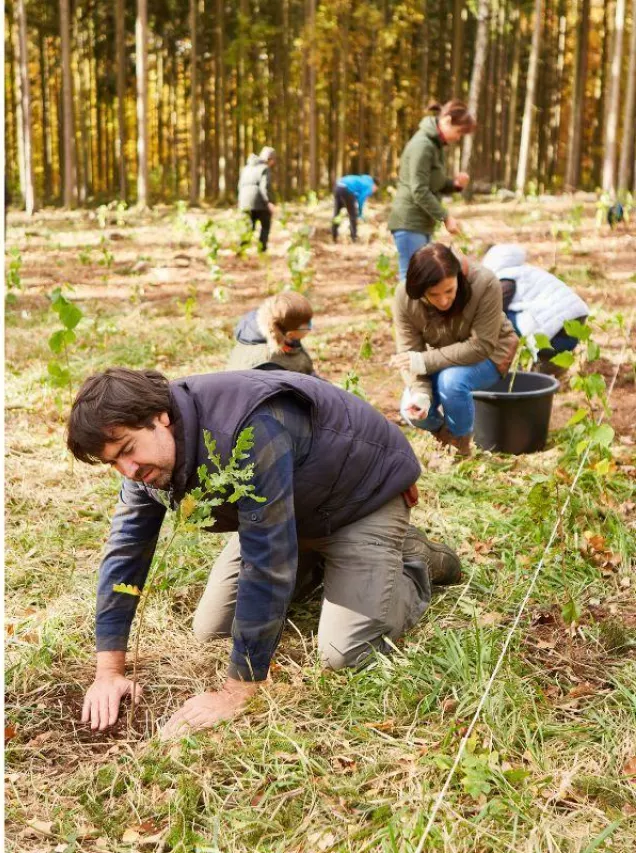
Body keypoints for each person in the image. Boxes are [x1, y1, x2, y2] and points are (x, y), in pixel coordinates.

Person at [66, 368, 462, 736]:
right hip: (286, 514)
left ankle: (410, 557)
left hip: (359, 502)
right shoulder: (145, 463)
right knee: (212, 629)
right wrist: (109, 672)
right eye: (113, 462)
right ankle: (329, 563)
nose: (128, 470)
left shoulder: (246, 427)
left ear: (159, 416)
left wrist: (238, 690)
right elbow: (126, 551)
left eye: (128, 450)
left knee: (345, 652)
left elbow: (267, 560)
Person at [391, 243, 519, 456]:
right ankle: (445, 436)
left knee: (451, 382)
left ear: (458, 277)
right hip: (446, 356)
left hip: (492, 352)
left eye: (449, 291)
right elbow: (410, 353)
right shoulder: (405, 298)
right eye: (433, 295)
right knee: (411, 409)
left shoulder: (484, 283)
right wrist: (421, 393)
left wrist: (425, 361)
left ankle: (461, 445)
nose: (443, 301)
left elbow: (482, 345)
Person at [387, 101, 477, 280]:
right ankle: (404, 309)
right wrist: (445, 216)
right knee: (413, 278)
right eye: (459, 132)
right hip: (409, 221)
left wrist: (456, 185)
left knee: (423, 278)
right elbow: (419, 190)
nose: (458, 138)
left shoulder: (436, 146)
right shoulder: (423, 145)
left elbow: (435, 183)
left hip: (422, 222)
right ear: (447, 120)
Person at [481, 243, 589, 376]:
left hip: (557, 323)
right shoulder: (525, 272)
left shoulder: (506, 279)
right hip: (574, 319)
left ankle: (521, 372)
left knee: (499, 318)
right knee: (547, 360)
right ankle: (544, 373)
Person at [226, 291, 315, 374]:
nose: (311, 325)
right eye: (308, 324)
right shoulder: (270, 363)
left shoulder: (278, 330)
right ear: (289, 334)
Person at [238, 146, 277, 252]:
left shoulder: (246, 168)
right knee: (265, 225)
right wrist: (269, 202)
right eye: (273, 160)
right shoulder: (265, 168)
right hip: (259, 202)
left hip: (244, 202)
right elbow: (264, 187)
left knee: (247, 227)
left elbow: (240, 185)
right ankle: (262, 250)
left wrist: (240, 202)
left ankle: (242, 250)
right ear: (269, 159)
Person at [332, 174, 376, 243]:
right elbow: (361, 199)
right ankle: (354, 238)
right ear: (374, 185)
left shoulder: (362, 180)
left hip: (338, 186)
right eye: (376, 189)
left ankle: (334, 236)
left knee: (336, 213)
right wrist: (360, 213)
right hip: (346, 189)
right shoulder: (369, 186)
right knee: (353, 215)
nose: (374, 191)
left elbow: (356, 195)